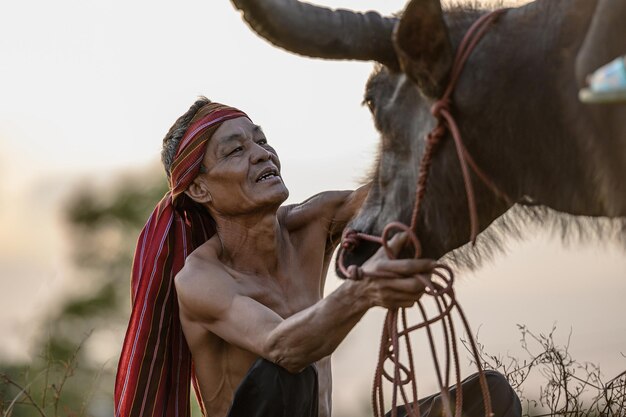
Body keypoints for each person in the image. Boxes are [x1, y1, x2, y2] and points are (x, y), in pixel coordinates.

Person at [114, 98, 522, 417]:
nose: (261, 153)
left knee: (490, 397)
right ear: (200, 191)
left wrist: (496, 151)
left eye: (261, 139)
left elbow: (408, 199)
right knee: (285, 377)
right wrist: (364, 292)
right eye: (236, 150)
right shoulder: (201, 280)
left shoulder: (315, 222)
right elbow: (283, 347)